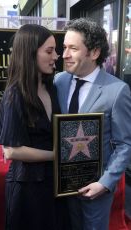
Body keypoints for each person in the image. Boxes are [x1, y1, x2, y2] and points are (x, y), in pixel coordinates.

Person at [54, 18, 131, 230]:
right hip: (61, 187)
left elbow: (125, 145)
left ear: (94, 53)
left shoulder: (117, 91)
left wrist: (105, 183)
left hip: (94, 191)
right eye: (64, 47)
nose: (65, 55)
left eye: (73, 48)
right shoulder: (59, 81)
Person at [0, 24, 69, 230]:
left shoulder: (52, 88)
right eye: (49, 51)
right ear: (29, 52)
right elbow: (11, 150)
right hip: (27, 188)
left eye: (55, 50)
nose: (57, 56)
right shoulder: (14, 94)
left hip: (55, 184)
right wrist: (58, 155)